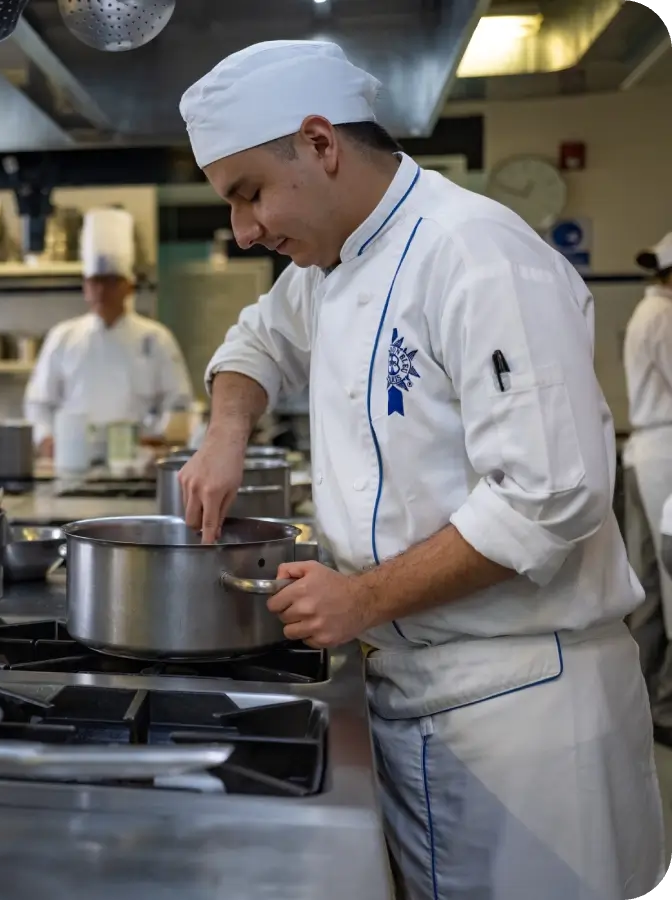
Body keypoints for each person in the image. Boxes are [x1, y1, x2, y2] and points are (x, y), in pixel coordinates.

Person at [175, 39, 663, 899]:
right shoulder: (330, 264)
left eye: (249, 192)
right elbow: (255, 342)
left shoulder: (474, 250)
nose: (243, 229)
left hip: (524, 708)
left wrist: (360, 597)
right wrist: (225, 430)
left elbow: (550, 495)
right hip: (412, 685)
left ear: (320, 144)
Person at [23, 207, 193, 459]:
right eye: (95, 282)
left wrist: (159, 437)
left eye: (111, 281)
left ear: (129, 286)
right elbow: (39, 403)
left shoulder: (156, 339)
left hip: (136, 460)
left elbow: (178, 403)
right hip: (74, 458)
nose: (102, 291)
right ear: (85, 288)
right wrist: (46, 437)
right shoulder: (63, 337)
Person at [623, 231, 672, 744]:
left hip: (648, 453)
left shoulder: (648, 313)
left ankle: (649, 698)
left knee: (652, 581)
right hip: (664, 454)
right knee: (664, 581)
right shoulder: (663, 316)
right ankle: (662, 704)